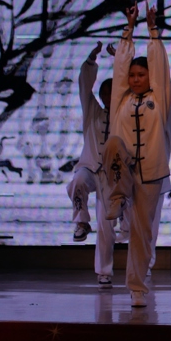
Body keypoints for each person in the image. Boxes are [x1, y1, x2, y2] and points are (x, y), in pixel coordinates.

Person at [102, 3, 171, 308]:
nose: (134, 79)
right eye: (132, 75)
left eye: (140, 74)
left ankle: (137, 287)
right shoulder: (121, 100)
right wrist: (129, 28)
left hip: (151, 174)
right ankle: (118, 196)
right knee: (112, 143)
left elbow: (160, 68)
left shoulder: (160, 99)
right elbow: (119, 67)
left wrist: (152, 29)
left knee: (142, 233)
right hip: (124, 171)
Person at [67, 42, 117, 288]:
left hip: (111, 176)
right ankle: (81, 221)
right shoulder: (92, 111)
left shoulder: (126, 114)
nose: (108, 97)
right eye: (105, 93)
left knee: (106, 225)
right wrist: (91, 59)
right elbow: (84, 85)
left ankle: (104, 272)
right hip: (89, 167)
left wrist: (120, 59)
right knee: (77, 181)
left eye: (113, 92)